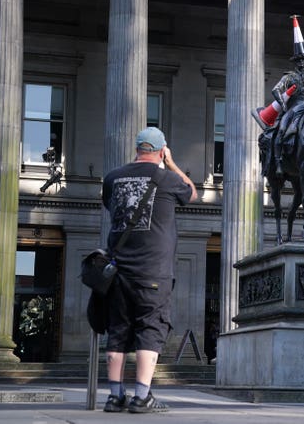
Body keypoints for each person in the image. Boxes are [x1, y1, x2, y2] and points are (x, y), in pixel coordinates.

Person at [101, 126, 197, 413]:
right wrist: (171, 163)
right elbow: (191, 193)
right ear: (160, 150)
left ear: (137, 149)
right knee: (150, 328)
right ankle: (142, 396)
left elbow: (110, 205)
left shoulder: (113, 178)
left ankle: (115, 396)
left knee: (117, 329)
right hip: (152, 270)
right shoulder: (167, 178)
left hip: (117, 270)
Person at [272, 55, 304, 175]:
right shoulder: (289, 77)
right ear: (295, 62)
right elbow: (275, 90)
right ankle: (278, 162)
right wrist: (283, 105)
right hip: (293, 109)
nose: (302, 62)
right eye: (299, 60)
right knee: (281, 130)